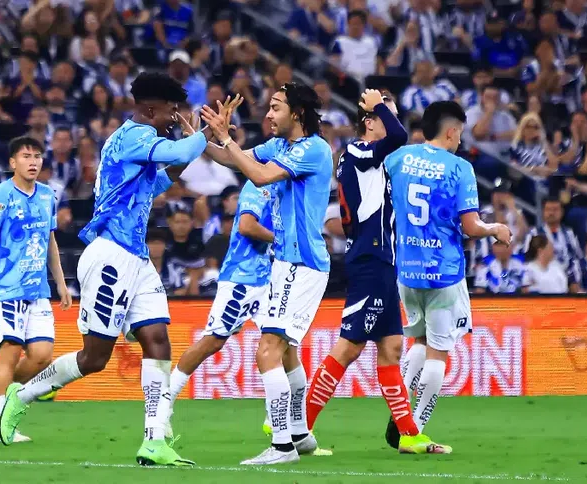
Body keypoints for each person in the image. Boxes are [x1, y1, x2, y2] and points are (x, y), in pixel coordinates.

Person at [0, 72, 210, 465]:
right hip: (110, 256)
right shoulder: (133, 137)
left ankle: (153, 441)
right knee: (95, 358)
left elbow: (162, 180)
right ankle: (20, 395)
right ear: (150, 109)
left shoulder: (140, 144)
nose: (174, 119)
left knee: (158, 340)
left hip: (136, 258)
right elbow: (180, 151)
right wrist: (208, 135)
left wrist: (195, 143)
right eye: (170, 111)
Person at [303, 88, 447, 454]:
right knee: (348, 348)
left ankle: (408, 435)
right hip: (370, 260)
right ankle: (297, 428)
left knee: (392, 348)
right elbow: (399, 135)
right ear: (369, 121)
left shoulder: (370, 160)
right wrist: (379, 105)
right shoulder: (358, 152)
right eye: (385, 115)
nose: (392, 121)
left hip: (380, 262)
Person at [200, 83, 332, 465]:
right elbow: (232, 160)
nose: (269, 114)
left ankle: (281, 446)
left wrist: (228, 139)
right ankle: (299, 435)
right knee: (285, 352)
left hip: (301, 263)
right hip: (286, 263)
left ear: (297, 113)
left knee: (268, 351)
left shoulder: (313, 149)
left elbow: (257, 176)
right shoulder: (280, 147)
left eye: (276, 107)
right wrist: (201, 137)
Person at [383, 101, 512, 448]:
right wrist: (495, 228)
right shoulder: (459, 168)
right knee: (439, 352)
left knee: (419, 342)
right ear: (452, 131)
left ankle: (399, 414)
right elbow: (470, 226)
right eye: (461, 133)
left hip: (406, 269)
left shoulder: (398, 158)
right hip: (443, 272)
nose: (460, 140)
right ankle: (413, 431)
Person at [0, 136, 73, 445]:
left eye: (37, 155)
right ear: (13, 162)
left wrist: (61, 283)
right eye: (26, 156)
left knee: (41, 357)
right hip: (6, 289)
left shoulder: (47, 196)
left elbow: (50, 241)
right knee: (9, 355)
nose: (33, 161)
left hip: (38, 290)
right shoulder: (0, 196)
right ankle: (2, 427)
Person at [166, 178, 274, 427]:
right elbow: (247, 226)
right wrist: (281, 239)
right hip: (241, 279)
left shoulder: (286, 189)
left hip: (270, 278)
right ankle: (165, 401)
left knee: (280, 344)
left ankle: (276, 418)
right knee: (212, 342)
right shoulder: (257, 186)